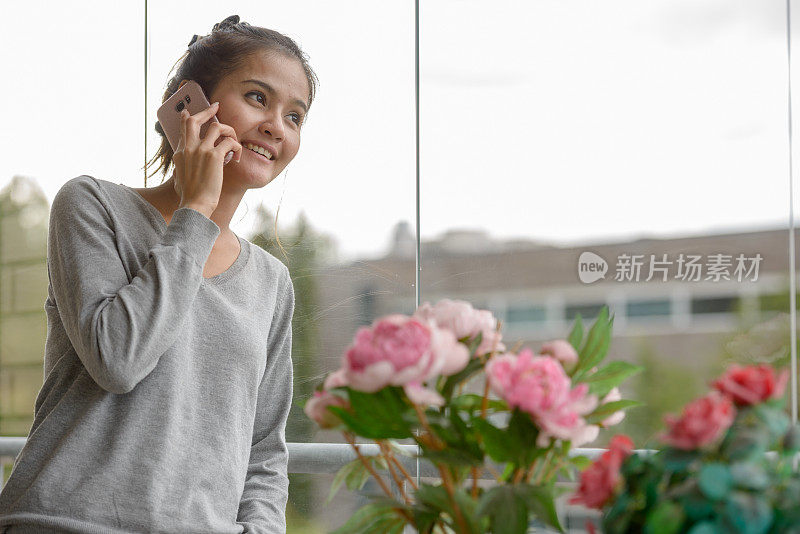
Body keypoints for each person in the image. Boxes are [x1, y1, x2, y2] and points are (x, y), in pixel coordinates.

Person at [0, 15, 319, 534]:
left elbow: (264, 451)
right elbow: (117, 359)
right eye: (258, 98)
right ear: (189, 103)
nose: (277, 126)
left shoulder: (270, 282)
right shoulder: (91, 206)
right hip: (65, 522)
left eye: (296, 116)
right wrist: (197, 211)